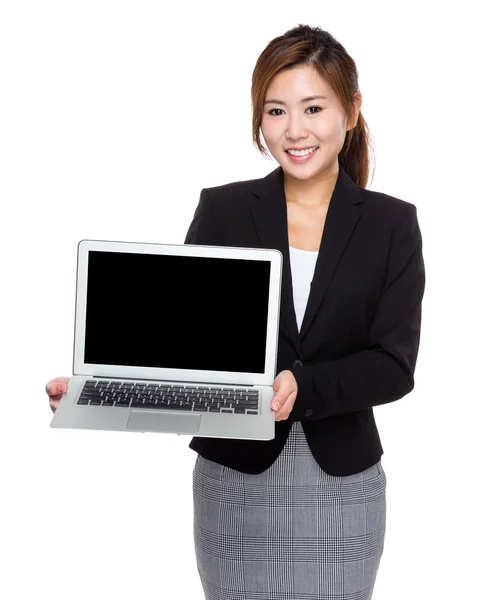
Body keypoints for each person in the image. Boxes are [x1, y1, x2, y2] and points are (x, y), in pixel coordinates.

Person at [46, 24, 426, 600]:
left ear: (351, 111)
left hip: (341, 483)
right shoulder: (223, 209)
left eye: (313, 107)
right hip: (233, 478)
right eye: (275, 111)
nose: (293, 130)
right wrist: (103, 384)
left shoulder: (391, 224)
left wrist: (305, 383)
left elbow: (394, 366)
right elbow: (185, 339)